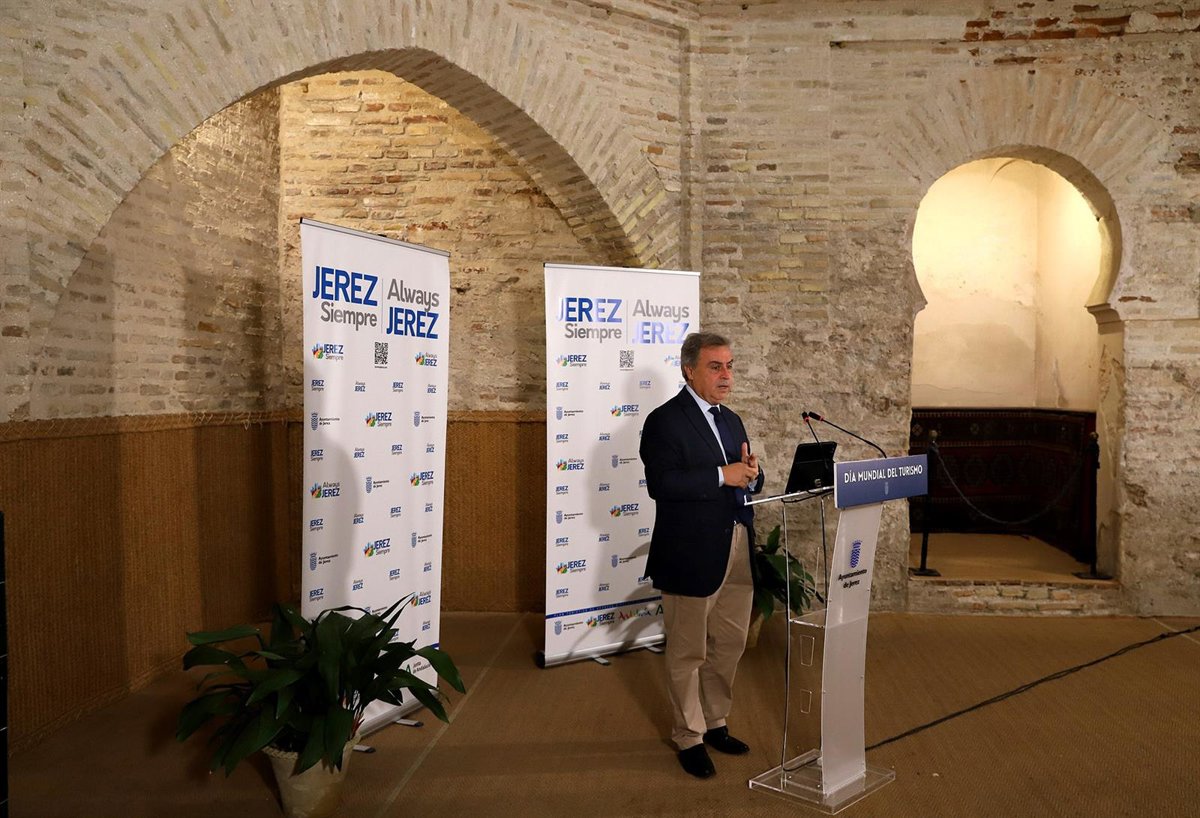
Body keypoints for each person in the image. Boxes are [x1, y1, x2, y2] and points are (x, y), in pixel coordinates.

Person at [639, 331, 764, 779]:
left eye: (730, 366)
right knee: (688, 651)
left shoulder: (732, 420)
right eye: (715, 367)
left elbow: (745, 475)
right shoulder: (664, 421)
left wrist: (752, 475)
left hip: (736, 545)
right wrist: (721, 475)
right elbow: (663, 484)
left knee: (729, 644)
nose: (726, 375)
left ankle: (715, 722)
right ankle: (689, 736)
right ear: (689, 371)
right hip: (690, 552)